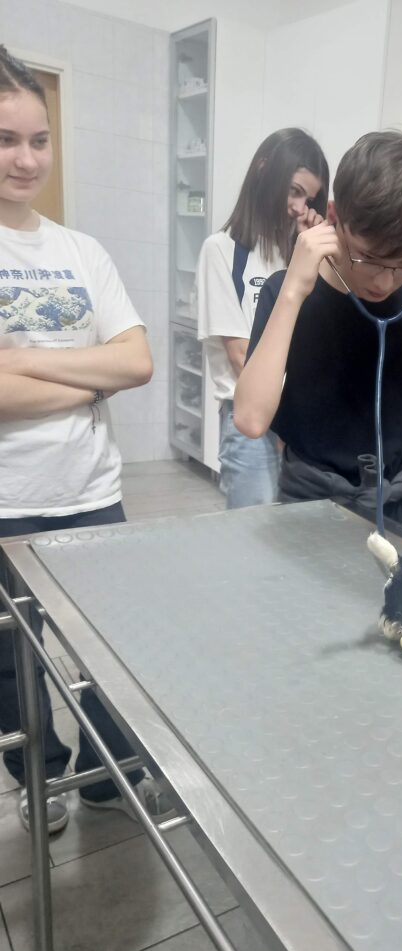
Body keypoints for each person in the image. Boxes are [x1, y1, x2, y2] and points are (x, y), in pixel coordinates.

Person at [0, 46, 168, 832]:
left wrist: (24, 361)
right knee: (13, 663)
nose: (26, 159)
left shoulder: (82, 251)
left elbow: (136, 361)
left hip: (92, 490)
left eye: (39, 140)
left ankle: (110, 774)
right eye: (6, 140)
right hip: (9, 501)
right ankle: (39, 780)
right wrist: (89, 375)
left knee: (113, 649)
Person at [234, 131, 402, 530]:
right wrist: (292, 292)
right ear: (334, 217)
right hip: (305, 508)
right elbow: (250, 420)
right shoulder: (289, 292)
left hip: (392, 512)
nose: (384, 281)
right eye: (368, 257)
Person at [197, 128, 329, 509]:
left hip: (301, 422)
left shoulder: (299, 251)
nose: (300, 207)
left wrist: (314, 254)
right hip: (252, 424)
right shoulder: (221, 250)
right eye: (294, 191)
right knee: (253, 534)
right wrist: (285, 425)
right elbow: (240, 355)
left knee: (296, 534)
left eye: (310, 199)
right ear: (263, 170)